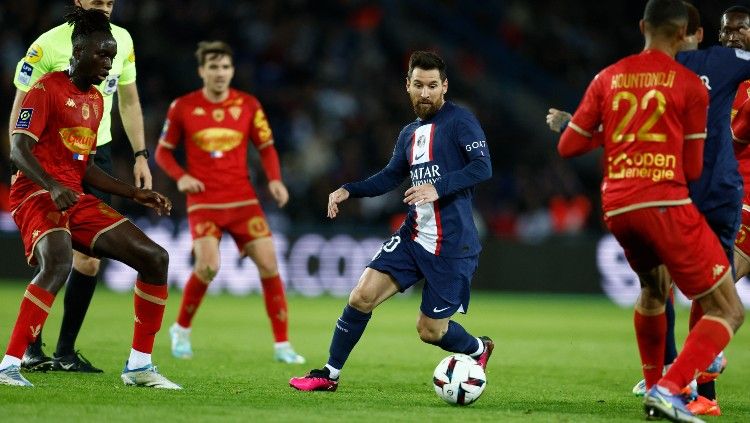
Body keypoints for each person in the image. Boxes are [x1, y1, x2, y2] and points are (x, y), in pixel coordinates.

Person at [547, 3, 750, 416]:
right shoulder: (691, 81)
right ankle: (679, 383)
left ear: (643, 27)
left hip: (620, 202)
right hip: (682, 197)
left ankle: (671, 382)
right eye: (725, 31)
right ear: (687, 35)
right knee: (724, 304)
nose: (731, 37)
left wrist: (584, 128)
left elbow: (570, 146)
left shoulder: (613, 75)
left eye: (739, 30)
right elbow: (692, 162)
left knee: (655, 289)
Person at [289, 50, 494, 392]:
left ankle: (477, 348)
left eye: (432, 85)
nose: (425, 93)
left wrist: (436, 187)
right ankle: (328, 374)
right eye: (418, 85)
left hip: (453, 245)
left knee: (430, 331)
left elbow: (481, 167)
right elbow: (389, 177)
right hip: (414, 236)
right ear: (408, 86)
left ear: (445, 86)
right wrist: (348, 190)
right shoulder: (409, 134)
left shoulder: (461, 121)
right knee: (361, 297)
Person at [0, 7, 180, 389]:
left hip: (72, 194)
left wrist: (135, 193)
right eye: (102, 54)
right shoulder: (46, 88)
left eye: (112, 57)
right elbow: (18, 149)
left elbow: (83, 169)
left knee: (155, 258)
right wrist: (51, 184)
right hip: (35, 192)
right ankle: (9, 364)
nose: (108, 63)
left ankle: (139, 367)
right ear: (78, 52)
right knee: (60, 261)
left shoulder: (96, 101)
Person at [154, 41, 304, 364]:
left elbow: (266, 146)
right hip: (204, 202)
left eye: (225, 67)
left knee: (269, 264)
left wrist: (275, 179)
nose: (220, 73)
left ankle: (282, 344)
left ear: (232, 70)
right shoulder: (182, 107)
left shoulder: (248, 105)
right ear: (201, 71)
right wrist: (180, 176)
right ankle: (180, 329)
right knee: (208, 266)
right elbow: (163, 152)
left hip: (243, 200)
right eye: (213, 67)